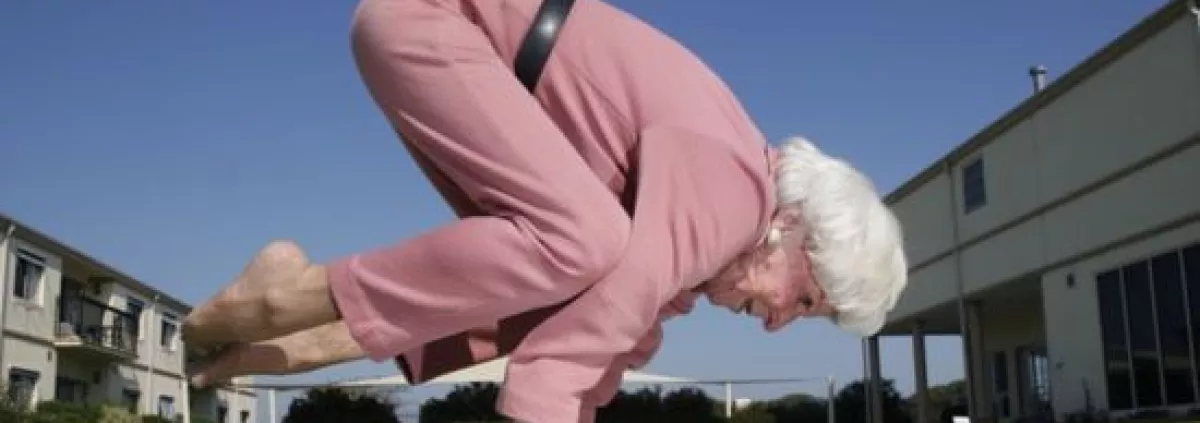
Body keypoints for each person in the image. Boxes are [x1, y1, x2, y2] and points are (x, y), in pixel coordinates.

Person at [182, 0, 909, 421]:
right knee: (585, 243)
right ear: (795, 227)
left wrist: (305, 349)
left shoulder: (693, 249)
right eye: (805, 298)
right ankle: (278, 296)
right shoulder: (737, 193)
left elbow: (595, 354)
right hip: (437, 23)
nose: (779, 322)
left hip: (443, 46)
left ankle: (270, 335)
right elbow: (557, 368)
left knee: (580, 291)